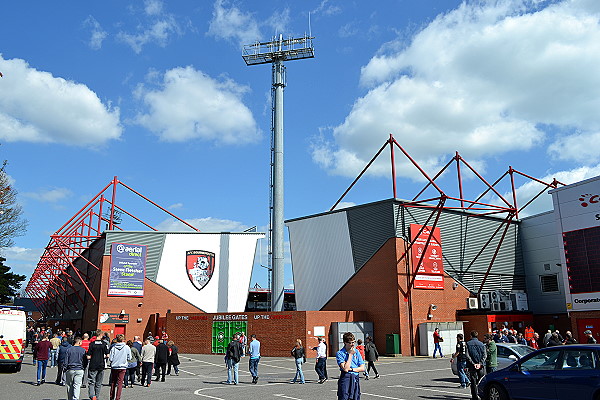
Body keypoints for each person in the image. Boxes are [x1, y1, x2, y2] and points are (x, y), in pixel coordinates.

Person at [336, 332, 365, 400]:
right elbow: (345, 369)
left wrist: (352, 369)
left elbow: (362, 368)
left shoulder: (357, 352)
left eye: (353, 342)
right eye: (350, 343)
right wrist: (350, 355)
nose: (352, 345)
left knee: (356, 397)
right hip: (346, 378)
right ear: (345, 342)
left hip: (355, 377)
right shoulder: (340, 353)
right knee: (344, 397)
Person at [87, 329, 109, 400]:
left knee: (91, 382)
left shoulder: (92, 344)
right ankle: (96, 396)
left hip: (93, 364)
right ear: (101, 335)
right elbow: (108, 355)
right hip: (101, 364)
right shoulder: (104, 344)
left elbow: (88, 356)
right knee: (99, 383)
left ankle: (92, 395)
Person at [109, 334, 131, 400]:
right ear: (123, 340)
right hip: (123, 366)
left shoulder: (113, 347)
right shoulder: (127, 347)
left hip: (114, 366)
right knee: (120, 383)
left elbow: (111, 358)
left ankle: (111, 397)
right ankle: (117, 397)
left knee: (113, 382)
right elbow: (129, 357)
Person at [466, 331, 486, 400]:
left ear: (471, 336)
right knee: (482, 381)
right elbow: (484, 355)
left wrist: (473, 363)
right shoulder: (481, 344)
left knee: (473, 382)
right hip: (480, 366)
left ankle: (474, 397)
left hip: (472, 366)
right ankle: (483, 395)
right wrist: (480, 363)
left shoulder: (468, 344)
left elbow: (467, 355)